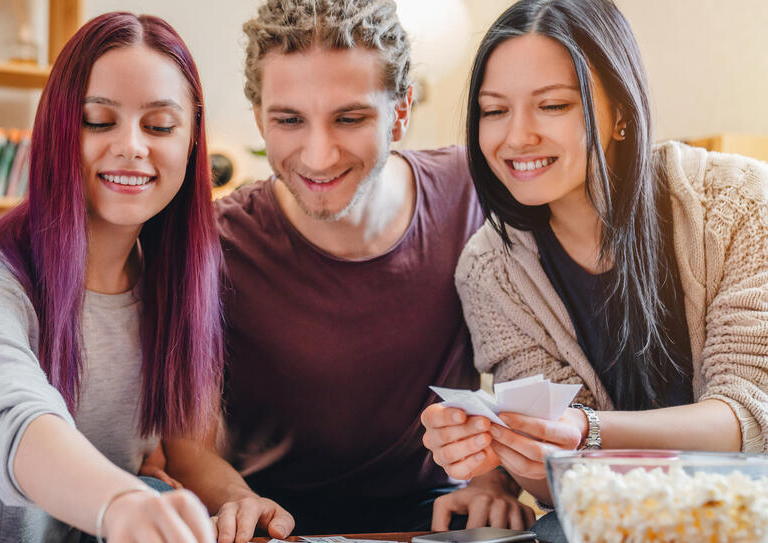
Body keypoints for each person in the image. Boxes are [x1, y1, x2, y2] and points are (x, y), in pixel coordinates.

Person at [164, 0, 536, 536]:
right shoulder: (215, 241)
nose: (318, 155)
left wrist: (493, 480)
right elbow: (186, 442)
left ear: (400, 112)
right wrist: (237, 501)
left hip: (437, 518)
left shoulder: (472, 194)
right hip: (276, 524)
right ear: (259, 119)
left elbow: (527, 364)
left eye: (351, 117)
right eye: (289, 120)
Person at [0, 12, 286, 543]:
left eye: (160, 126)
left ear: (192, 142)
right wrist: (124, 502)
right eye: (98, 121)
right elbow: (18, 420)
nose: (132, 146)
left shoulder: (178, 280)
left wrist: (239, 501)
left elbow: (189, 452)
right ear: (56, 132)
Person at [421, 0, 768, 537]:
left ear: (622, 113)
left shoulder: (739, 201)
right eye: (494, 111)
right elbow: (556, 484)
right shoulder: (491, 267)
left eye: (553, 105)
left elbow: (750, 418)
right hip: (609, 526)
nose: (516, 137)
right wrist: (508, 447)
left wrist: (583, 430)